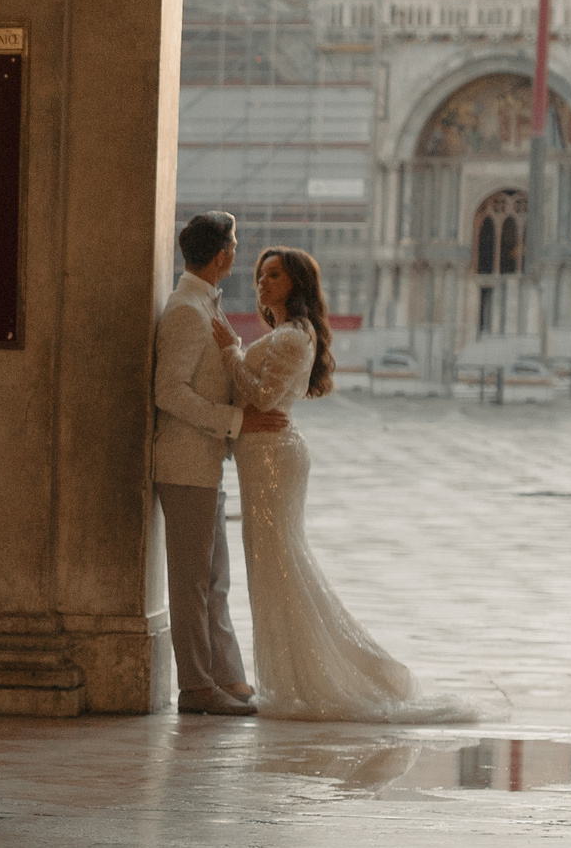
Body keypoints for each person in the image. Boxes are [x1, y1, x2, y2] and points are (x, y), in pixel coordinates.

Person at [208, 247, 476, 724]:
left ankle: (310, 679)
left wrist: (230, 349)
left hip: (273, 459)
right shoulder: (288, 333)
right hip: (265, 456)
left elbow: (265, 397)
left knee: (280, 567)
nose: (263, 282)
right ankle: (292, 675)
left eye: (274, 275)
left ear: (296, 284)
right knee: (277, 566)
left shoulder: (293, 336)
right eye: (260, 274)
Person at [152, 211, 258, 716]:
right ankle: (195, 687)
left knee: (214, 579)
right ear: (224, 256)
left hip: (206, 466)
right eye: (235, 246)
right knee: (192, 581)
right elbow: (167, 391)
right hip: (185, 466)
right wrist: (231, 420)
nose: (236, 254)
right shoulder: (187, 312)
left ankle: (226, 677)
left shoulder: (204, 306)